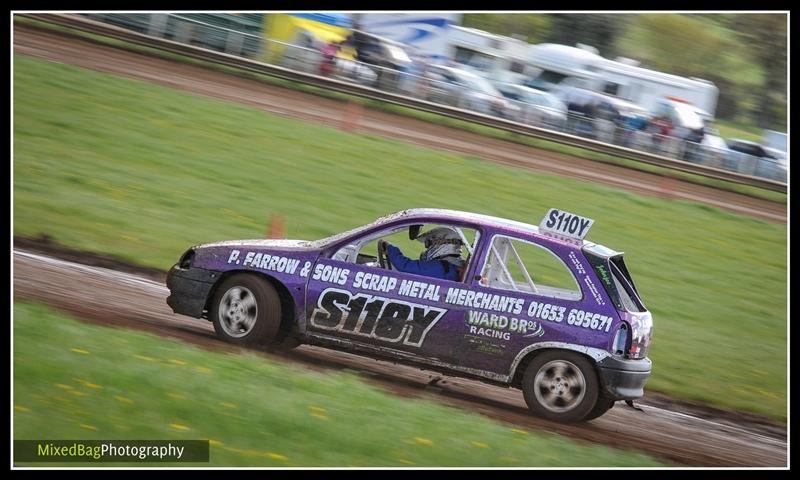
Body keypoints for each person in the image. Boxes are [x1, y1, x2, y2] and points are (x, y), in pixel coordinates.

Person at [378, 227, 466, 281]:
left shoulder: (440, 268)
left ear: (440, 245)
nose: (427, 249)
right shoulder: (454, 268)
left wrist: (389, 248)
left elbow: (405, 266)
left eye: (429, 245)